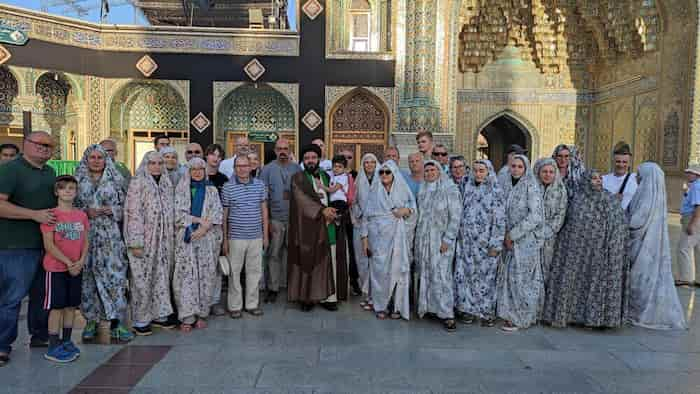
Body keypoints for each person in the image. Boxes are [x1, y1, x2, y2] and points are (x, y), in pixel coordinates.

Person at [543, 170, 629, 329]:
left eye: (599, 178)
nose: (597, 181)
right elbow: (570, 226)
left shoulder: (609, 199)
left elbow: (619, 224)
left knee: (596, 285)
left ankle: (597, 320)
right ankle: (573, 316)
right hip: (579, 253)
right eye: (593, 178)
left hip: (600, 253)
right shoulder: (577, 200)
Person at [0, 131, 57, 366]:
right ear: (26, 144)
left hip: (44, 245)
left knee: (41, 296)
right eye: (40, 144)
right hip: (16, 245)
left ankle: (39, 335)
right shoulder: (11, 169)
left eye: (49, 146)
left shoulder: (50, 172)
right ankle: (2, 345)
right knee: (12, 297)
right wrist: (33, 215)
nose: (45, 149)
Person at [74, 145, 133, 343]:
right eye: (93, 157)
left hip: (110, 236)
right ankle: (91, 321)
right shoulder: (77, 180)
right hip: (86, 235)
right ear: (86, 159)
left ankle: (117, 322)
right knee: (87, 278)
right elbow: (68, 205)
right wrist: (84, 212)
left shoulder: (116, 179)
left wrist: (113, 210)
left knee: (115, 277)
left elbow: (129, 206)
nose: (97, 160)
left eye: (100, 157)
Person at [627, 162, 687, 330]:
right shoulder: (655, 194)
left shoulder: (646, 195)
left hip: (643, 246)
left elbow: (637, 221)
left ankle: (640, 313)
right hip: (649, 246)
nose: (637, 177)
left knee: (642, 280)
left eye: (639, 174)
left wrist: (621, 220)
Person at [288, 144, 346, 311]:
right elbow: (301, 201)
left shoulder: (327, 176)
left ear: (319, 159)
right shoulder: (298, 178)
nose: (310, 161)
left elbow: (337, 195)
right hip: (307, 227)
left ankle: (329, 298)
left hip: (328, 225)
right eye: (307, 158)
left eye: (313, 157)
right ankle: (308, 298)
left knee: (328, 260)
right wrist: (322, 211)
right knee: (309, 262)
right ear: (303, 160)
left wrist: (335, 211)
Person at [124, 151, 176, 336]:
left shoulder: (166, 183)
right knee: (142, 279)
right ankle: (141, 319)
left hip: (163, 240)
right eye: (152, 163)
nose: (156, 166)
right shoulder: (137, 183)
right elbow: (133, 213)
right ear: (145, 164)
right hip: (144, 241)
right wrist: (136, 242)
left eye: (159, 163)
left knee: (161, 276)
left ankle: (159, 314)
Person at [40, 175, 88, 363]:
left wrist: (81, 261)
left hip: (76, 267)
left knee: (70, 306)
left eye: (72, 188)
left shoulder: (81, 215)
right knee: (57, 307)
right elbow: (49, 245)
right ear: (56, 192)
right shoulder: (51, 215)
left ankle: (67, 341)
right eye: (63, 188)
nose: (68, 191)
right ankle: (53, 345)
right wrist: (68, 262)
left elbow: (85, 240)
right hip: (57, 268)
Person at [361, 160, 416, 320]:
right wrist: (365, 240)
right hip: (377, 238)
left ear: (394, 174)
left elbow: (413, 208)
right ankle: (380, 305)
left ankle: (397, 306)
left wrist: (406, 210)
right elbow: (366, 217)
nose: (384, 175)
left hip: (397, 237)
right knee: (380, 273)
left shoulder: (402, 190)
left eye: (387, 172)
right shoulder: (374, 191)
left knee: (398, 271)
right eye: (381, 172)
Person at [173, 158, 224, 331]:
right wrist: (195, 221)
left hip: (207, 239)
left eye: (200, 169)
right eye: (193, 169)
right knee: (186, 277)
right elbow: (177, 214)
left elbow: (217, 212)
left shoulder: (211, 189)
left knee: (205, 275)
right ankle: (187, 317)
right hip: (186, 238)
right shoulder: (180, 189)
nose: (197, 172)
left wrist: (204, 228)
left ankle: (202, 313)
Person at [454, 160, 505, 327]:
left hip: (486, 245)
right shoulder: (466, 187)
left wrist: (496, 244)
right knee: (466, 276)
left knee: (486, 278)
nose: (478, 174)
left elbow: (499, 220)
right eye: (475, 170)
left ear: (488, 171)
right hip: (466, 244)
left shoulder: (495, 191)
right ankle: (468, 310)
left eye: (481, 170)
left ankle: (486, 312)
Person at [496, 155, 544, 332]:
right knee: (512, 279)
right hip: (510, 242)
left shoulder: (531, 187)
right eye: (513, 166)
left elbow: (535, 217)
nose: (515, 170)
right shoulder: (508, 185)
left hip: (526, 242)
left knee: (523, 280)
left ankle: (522, 318)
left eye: (519, 167)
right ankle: (512, 314)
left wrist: (513, 235)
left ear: (526, 169)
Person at [415, 160, 462, 331]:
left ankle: (447, 314)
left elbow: (455, 217)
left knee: (442, 276)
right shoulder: (423, 189)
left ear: (439, 170)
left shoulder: (449, 189)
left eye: (432, 169)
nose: (429, 173)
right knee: (427, 274)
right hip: (424, 241)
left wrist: (448, 240)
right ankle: (429, 308)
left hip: (441, 241)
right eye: (426, 170)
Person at [222, 156, 269, 318]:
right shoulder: (227, 187)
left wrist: (265, 235)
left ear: (251, 167)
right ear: (234, 168)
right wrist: (225, 240)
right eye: (238, 166)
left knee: (254, 272)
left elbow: (264, 211)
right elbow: (225, 215)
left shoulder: (260, 185)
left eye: (245, 166)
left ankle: (251, 304)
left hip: (256, 236)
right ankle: (235, 306)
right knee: (234, 273)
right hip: (235, 237)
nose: (242, 169)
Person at [260, 139, 301, 303]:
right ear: (275, 150)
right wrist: (267, 221)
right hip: (275, 219)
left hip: (294, 219)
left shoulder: (297, 169)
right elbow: (263, 198)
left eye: (285, 149)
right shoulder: (267, 169)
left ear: (290, 150)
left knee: (293, 254)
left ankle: (295, 287)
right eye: (279, 149)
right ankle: (273, 288)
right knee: (274, 254)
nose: (282, 152)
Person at [532, 158, 567, 285]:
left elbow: (560, 214)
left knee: (547, 270)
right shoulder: (531, 189)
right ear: (538, 172)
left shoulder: (560, 190)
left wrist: (547, 231)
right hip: (530, 236)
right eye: (544, 171)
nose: (547, 175)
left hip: (550, 239)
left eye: (551, 172)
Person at [202, 144, 228, 316]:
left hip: (217, 228)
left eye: (219, 156)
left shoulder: (224, 180)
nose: (215, 158)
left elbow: (226, 208)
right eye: (212, 154)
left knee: (216, 268)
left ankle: (214, 301)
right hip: (198, 228)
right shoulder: (196, 175)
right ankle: (200, 301)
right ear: (207, 156)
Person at [352, 153, 379, 309]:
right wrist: (359, 213)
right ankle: (367, 294)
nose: (369, 165)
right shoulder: (358, 181)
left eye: (372, 162)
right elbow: (353, 202)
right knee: (362, 259)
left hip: (377, 226)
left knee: (376, 260)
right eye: (366, 162)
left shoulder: (382, 179)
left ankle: (377, 295)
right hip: (361, 224)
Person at [675, 165, 700, 286]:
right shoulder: (695, 186)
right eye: (688, 172)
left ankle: (686, 278)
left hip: (692, 218)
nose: (688, 174)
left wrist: (692, 224)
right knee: (698, 248)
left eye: (691, 173)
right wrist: (686, 193)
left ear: (697, 175)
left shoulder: (696, 186)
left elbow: (698, 206)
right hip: (695, 218)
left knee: (683, 248)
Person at [602, 143, 638, 210]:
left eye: (624, 162)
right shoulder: (603, 180)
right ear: (613, 161)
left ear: (629, 163)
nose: (621, 165)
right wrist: (611, 200)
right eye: (618, 161)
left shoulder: (636, 179)